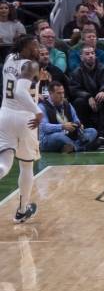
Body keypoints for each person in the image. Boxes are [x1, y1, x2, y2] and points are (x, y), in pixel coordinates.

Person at [0, 35, 42, 222]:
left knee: (4, 163)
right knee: (26, 165)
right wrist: (37, 111)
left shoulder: (9, 59)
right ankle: (22, 210)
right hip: (25, 119)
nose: (38, 49)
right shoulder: (31, 65)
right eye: (34, 46)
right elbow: (20, 91)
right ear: (24, 48)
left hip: (5, 114)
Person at [38, 81, 100, 153]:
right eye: (58, 93)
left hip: (68, 135)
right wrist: (62, 126)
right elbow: (44, 127)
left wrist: (78, 125)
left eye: (63, 92)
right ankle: (82, 147)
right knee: (59, 136)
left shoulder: (67, 104)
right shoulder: (42, 106)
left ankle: (71, 147)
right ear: (50, 94)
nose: (62, 96)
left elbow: (76, 119)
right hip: (49, 138)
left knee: (92, 131)